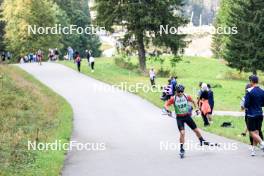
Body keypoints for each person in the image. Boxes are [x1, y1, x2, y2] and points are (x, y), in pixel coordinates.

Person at [164, 84, 213, 158]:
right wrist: (168, 110)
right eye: (179, 91)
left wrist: (196, 109)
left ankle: (202, 140)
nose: (180, 93)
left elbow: (193, 101)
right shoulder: (173, 98)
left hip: (187, 116)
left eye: (182, 91)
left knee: (196, 130)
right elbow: (166, 105)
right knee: (182, 133)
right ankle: (181, 149)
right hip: (179, 118)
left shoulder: (186, 96)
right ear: (176, 91)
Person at [244, 75, 264, 155]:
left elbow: (246, 104)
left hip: (251, 114)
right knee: (257, 131)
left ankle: (262, 143)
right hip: (260, 113)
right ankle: (253, 150)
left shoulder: (249, 91)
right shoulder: (262, 91)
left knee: (252, 132)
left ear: (251, 82)